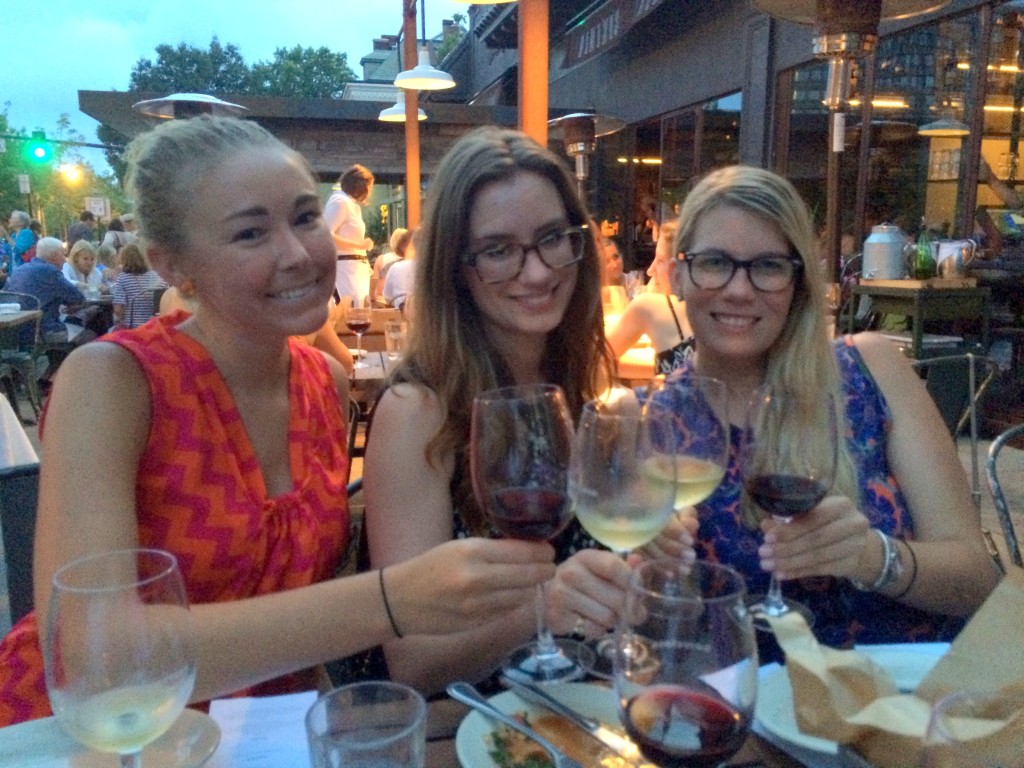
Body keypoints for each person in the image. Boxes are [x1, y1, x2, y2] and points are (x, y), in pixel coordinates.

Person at [0, 115, 558, 726]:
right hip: (91, 738)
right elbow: (95, 656)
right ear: (170, 264)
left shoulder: (326, 383)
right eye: (250, 234)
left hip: (257, 739)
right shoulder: (113, 380)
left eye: (304, 218)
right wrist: (395, 599)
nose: (297, 254)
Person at [359, 126, 695, 696]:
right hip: (467, 733)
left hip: (581, 714)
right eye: (497, 251)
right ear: (454, 268)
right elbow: (413, 663)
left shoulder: (577, 386)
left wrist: (648, 555)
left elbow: (612, 585)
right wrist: (548, 605)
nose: (537, 272)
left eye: (551, 239)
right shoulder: (417, 411)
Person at [660, 165, 999, 660]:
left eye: (769, 266)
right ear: (677, 274)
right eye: (714, 262)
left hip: (912, 696)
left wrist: (871, 557)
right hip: (760, 715)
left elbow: (979, 580)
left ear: (798, 282)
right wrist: (651, 568)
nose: (738, 289)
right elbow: (656, 635)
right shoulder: (650, 424)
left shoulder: (871, 369)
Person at [605, 220, 694, 375]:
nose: (650, 271)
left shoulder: (651, 305)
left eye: (659, 261)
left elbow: (598, 359)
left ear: (677, 268)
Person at [4, 236, 95, 347]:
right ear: (54, 255)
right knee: (89, 335)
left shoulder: (19, 270)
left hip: (17, 332)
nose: (64, 259)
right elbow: (78, 297)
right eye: (62, 254)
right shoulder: (50, 271)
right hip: (43, 330)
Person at [324, 164, 375, 309]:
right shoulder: (340, 202)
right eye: (370, 186)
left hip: (355, 267)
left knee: (358, 310)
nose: (370, 191)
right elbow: (327, 235)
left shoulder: (349, 204)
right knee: (351, 312)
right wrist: (359, 245)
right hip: (346, 267)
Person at [111, 242, 167, 329]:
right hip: (156, 327)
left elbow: (118, 310)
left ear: (124, 259)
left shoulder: (123, 278)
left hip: (133, 329)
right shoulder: (158, 275)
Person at [380, 228, 416, 312]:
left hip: (400, 315)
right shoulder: (428, 267)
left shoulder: (394, 267)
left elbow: (387, 297)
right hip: (426, 317)